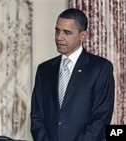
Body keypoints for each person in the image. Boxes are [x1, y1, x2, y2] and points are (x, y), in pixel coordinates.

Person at [30, 8, 114, 141]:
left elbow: (101, 117)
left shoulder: (100, 68)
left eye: (67, 32)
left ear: (83, 36)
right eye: (57, 30)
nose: (59, 37)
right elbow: (37, 117)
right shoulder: (44, 70)